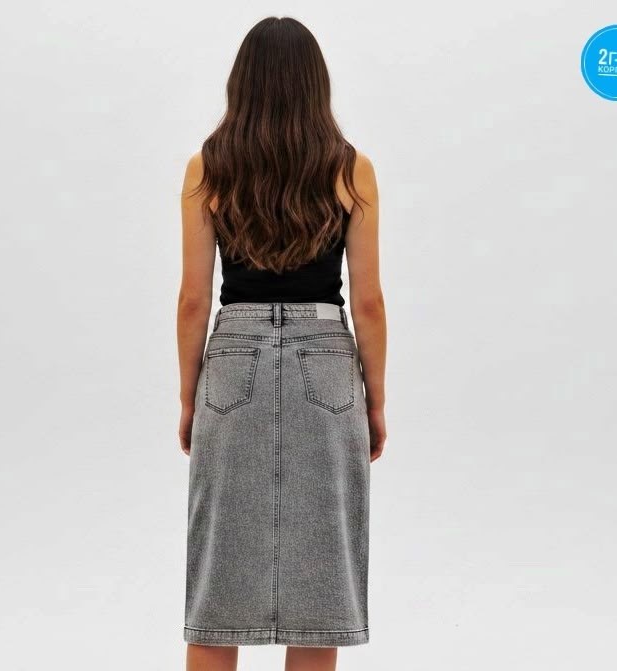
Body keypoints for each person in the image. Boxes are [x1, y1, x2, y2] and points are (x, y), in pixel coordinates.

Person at [176, 16, 387, 671]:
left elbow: (193, 299)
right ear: (315, 84)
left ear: (241, 83)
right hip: (326, 362)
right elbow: (369, 302)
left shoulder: (208, 167)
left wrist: (189, 398)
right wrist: (375, 401)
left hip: (231, 359)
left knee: (219, 577)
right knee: (321, 581)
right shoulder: (351, 170)